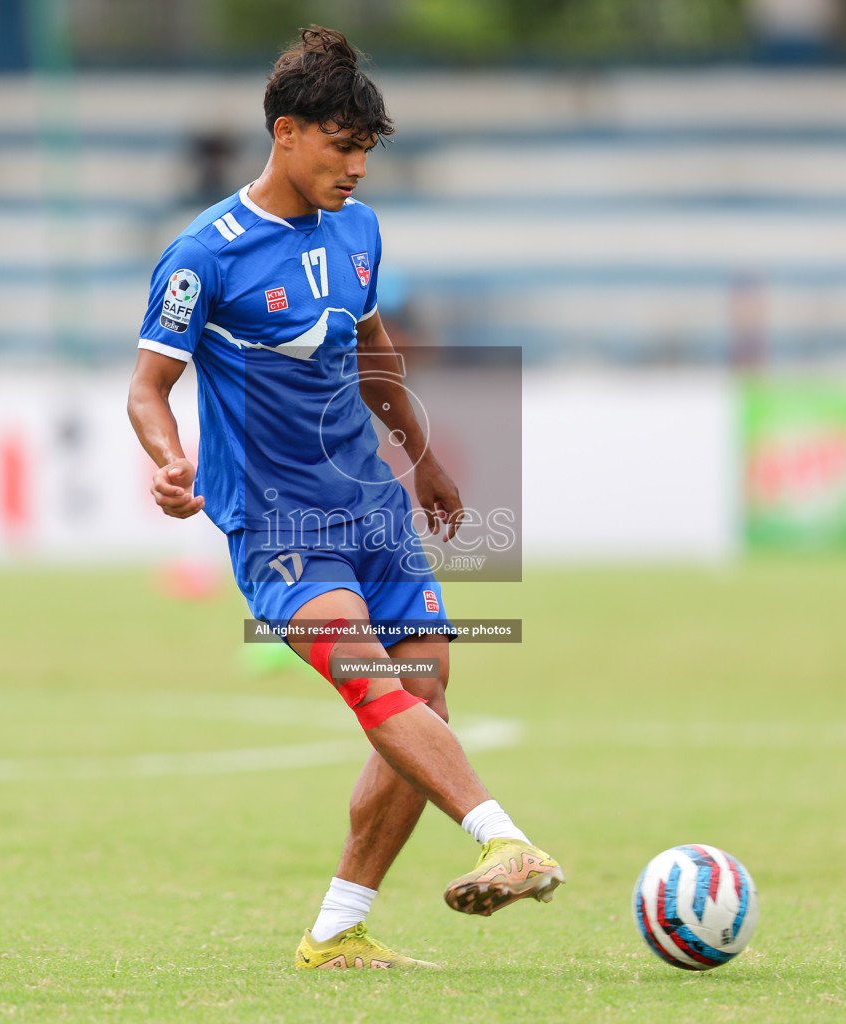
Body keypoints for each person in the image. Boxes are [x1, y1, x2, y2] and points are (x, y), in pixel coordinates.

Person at [127, 26, 563, 971]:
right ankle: (501, 836)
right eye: (340, 144)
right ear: (285, 133)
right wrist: (169, 462)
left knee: (426, 697)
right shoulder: (206, 254)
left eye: (366, 148)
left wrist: (428, 459)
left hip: (374, 507)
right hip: (280, 525)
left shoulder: (358, 231)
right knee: (372, 687)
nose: (357, 166)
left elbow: (374, 358)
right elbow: (147, 387)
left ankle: (337, 932)